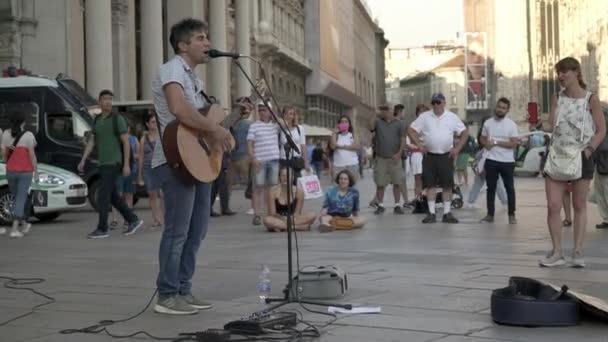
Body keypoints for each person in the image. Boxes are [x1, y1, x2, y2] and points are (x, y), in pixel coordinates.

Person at [151, 18, 233, 315]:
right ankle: (167, 295)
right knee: (177, 230)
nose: (208, 43)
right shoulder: (172, 69)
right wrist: (215, 130)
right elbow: (179, 109)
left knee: (197, 230)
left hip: (195, 160)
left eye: (207, 37)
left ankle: (183, 289)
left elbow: (201, 123)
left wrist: (221, 127)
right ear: (183, 46)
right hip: (174, 159)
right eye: (200, 38)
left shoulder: (196, 80)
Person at [540, 57, 606, 268]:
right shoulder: (556, 97)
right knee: (553, 205)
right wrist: (538, 125)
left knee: (579, 204)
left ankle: (578, 250)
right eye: (558, 72)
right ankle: (557, 251)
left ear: (576, 72)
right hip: (557, 155)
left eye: (564, 72)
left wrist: (589, 149)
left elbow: (601, 129)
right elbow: (552, 125)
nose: (560, 76)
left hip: (580, 156)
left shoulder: (590, 99)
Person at [78, 90, 143, 239]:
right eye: (105, 99)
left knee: (103, 196)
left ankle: (102, 228)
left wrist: (126, 164)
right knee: (113, 196)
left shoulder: (117, 119)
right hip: (102, 162)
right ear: (99, 101)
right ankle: (133, 219)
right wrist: (83, 159)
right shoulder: (97, 120)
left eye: (110, 99)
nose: (108, 102)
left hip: (114, 162)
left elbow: (126, 142)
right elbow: (92, 141)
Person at [408, 93, 469, 223]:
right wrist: (419, 145)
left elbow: (464, 132)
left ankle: (447, 212)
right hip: (429, 155)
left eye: (438, 102)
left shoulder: (452, 117)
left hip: (446, 155)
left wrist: (457, 148)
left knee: (447, 185)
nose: (436, 105)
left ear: (444, 103)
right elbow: (411, 130)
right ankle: (431, 212)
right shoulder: (425, 117)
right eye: (433, 102)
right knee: (430, 185)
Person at [479, 97, 519, 224]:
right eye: (499, 107)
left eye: (503, 108)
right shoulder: (488, 123)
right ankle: (490, 214)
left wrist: (496, 142)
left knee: (509, 188)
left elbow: (513, 143)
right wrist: (486, 144)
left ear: (507, 110)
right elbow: (482, 138)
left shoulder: (511, 124)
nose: (500, 110)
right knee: (490, 188)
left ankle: (511, 214)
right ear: (496, 107)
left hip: (507, 161)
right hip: (491, 159)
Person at [2, 111, 37, 238]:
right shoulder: (28, 135)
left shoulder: (5, 133)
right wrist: (36, 171)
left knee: (16, 198)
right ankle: (14, 229)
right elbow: (32, 155)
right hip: (25, 172)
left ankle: (24, 224)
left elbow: (4, 154)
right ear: (23, 122)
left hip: (10, 171)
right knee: (20, 199)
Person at [248, 101, 282, 226]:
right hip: (260, 161)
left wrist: (274, 114)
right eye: (260, 109)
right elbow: (250, 145)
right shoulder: (254, 126)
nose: (262, 112)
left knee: (272, 188)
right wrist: (253, 159)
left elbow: (284, 124)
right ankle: (257, 214)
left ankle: (271, 213)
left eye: (265, 109)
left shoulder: (274, 125)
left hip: (273, 160)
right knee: (258, 189)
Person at [370, 104, 407, 215]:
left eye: (388, 109)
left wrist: (399, 154)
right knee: (380, 183)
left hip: (395, 158)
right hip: (381, 158)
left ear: (392, 111)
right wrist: (374, 113)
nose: (385, 112)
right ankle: (380, 205)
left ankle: (397, 205)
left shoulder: (400, 124)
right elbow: (370, 127)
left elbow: (403, 140)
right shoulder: (378, 122)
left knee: (397, 182)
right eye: (384, 110)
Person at [262, 166, 316, 232]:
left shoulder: (299, 192)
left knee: (312, 215)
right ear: (279, 177)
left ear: (292, 177)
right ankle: (297, 227)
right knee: (267, 220)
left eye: (288, 175)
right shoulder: (272, 191)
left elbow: (297, 213)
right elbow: (272, 213)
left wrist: (289, 219)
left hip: (293, 218)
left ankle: (282, 227)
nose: (285, 178)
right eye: (283, 175)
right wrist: (284, 218)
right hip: (278, 218)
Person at [137, 112, 164, 228]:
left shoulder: (162, 136)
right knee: (152, 194)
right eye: (152, 122)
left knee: (163, 194)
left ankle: (163, 217)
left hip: (161, 167)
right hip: (148, 168)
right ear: (147, 124)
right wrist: (139, 175)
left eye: (156, 122)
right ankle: (156, 218)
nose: (155, 124)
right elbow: (141, 157)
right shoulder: (144, 139)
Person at [279, 106, 308, 180]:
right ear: (284, 115)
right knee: (285, 181)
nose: (290, 116)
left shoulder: (300, 128)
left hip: (296, 159)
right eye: (288, 114)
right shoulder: (280, 128)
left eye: (292, 114)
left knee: (297, 181)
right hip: (284, 159)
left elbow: (303, 146)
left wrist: (305, 162)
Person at [330, 115, 360, 181]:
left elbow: (357, 146)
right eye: (342, 122)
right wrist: (334, 133)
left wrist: (341, 146)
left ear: (349, 124)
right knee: (338, 186)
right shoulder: (336, 135)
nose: (344, 123)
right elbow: (333, 146)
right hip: (338, 165)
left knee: (352, 186)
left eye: (346, 122)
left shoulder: (352, 134)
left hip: (352, 164)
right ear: (339, 124)